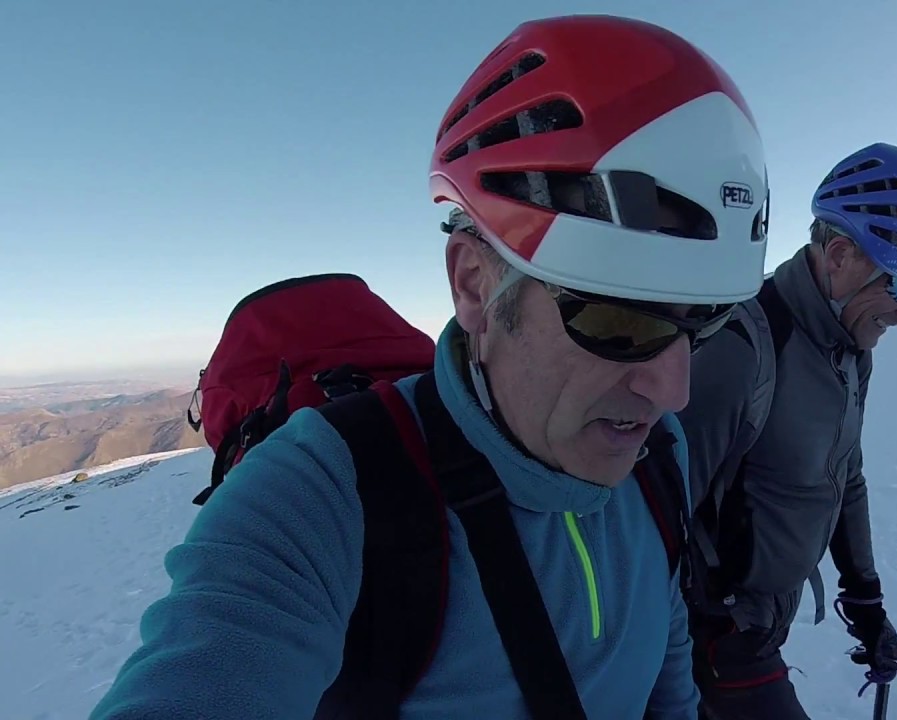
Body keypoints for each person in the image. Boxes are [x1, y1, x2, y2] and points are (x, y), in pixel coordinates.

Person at [88, 14, 770, 720]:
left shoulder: (657, 456)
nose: (673, 390)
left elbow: (667, 682)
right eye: (621, 322)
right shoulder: (322, 497)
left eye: (704, 322)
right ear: (475, 284)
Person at [676, 143, 897, 719]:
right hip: (710, 643)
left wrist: (865, 600)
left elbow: (844, 474)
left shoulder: (850, 349)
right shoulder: (740, 349)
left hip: (761, 627)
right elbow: (653, 523)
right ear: (839, 256)